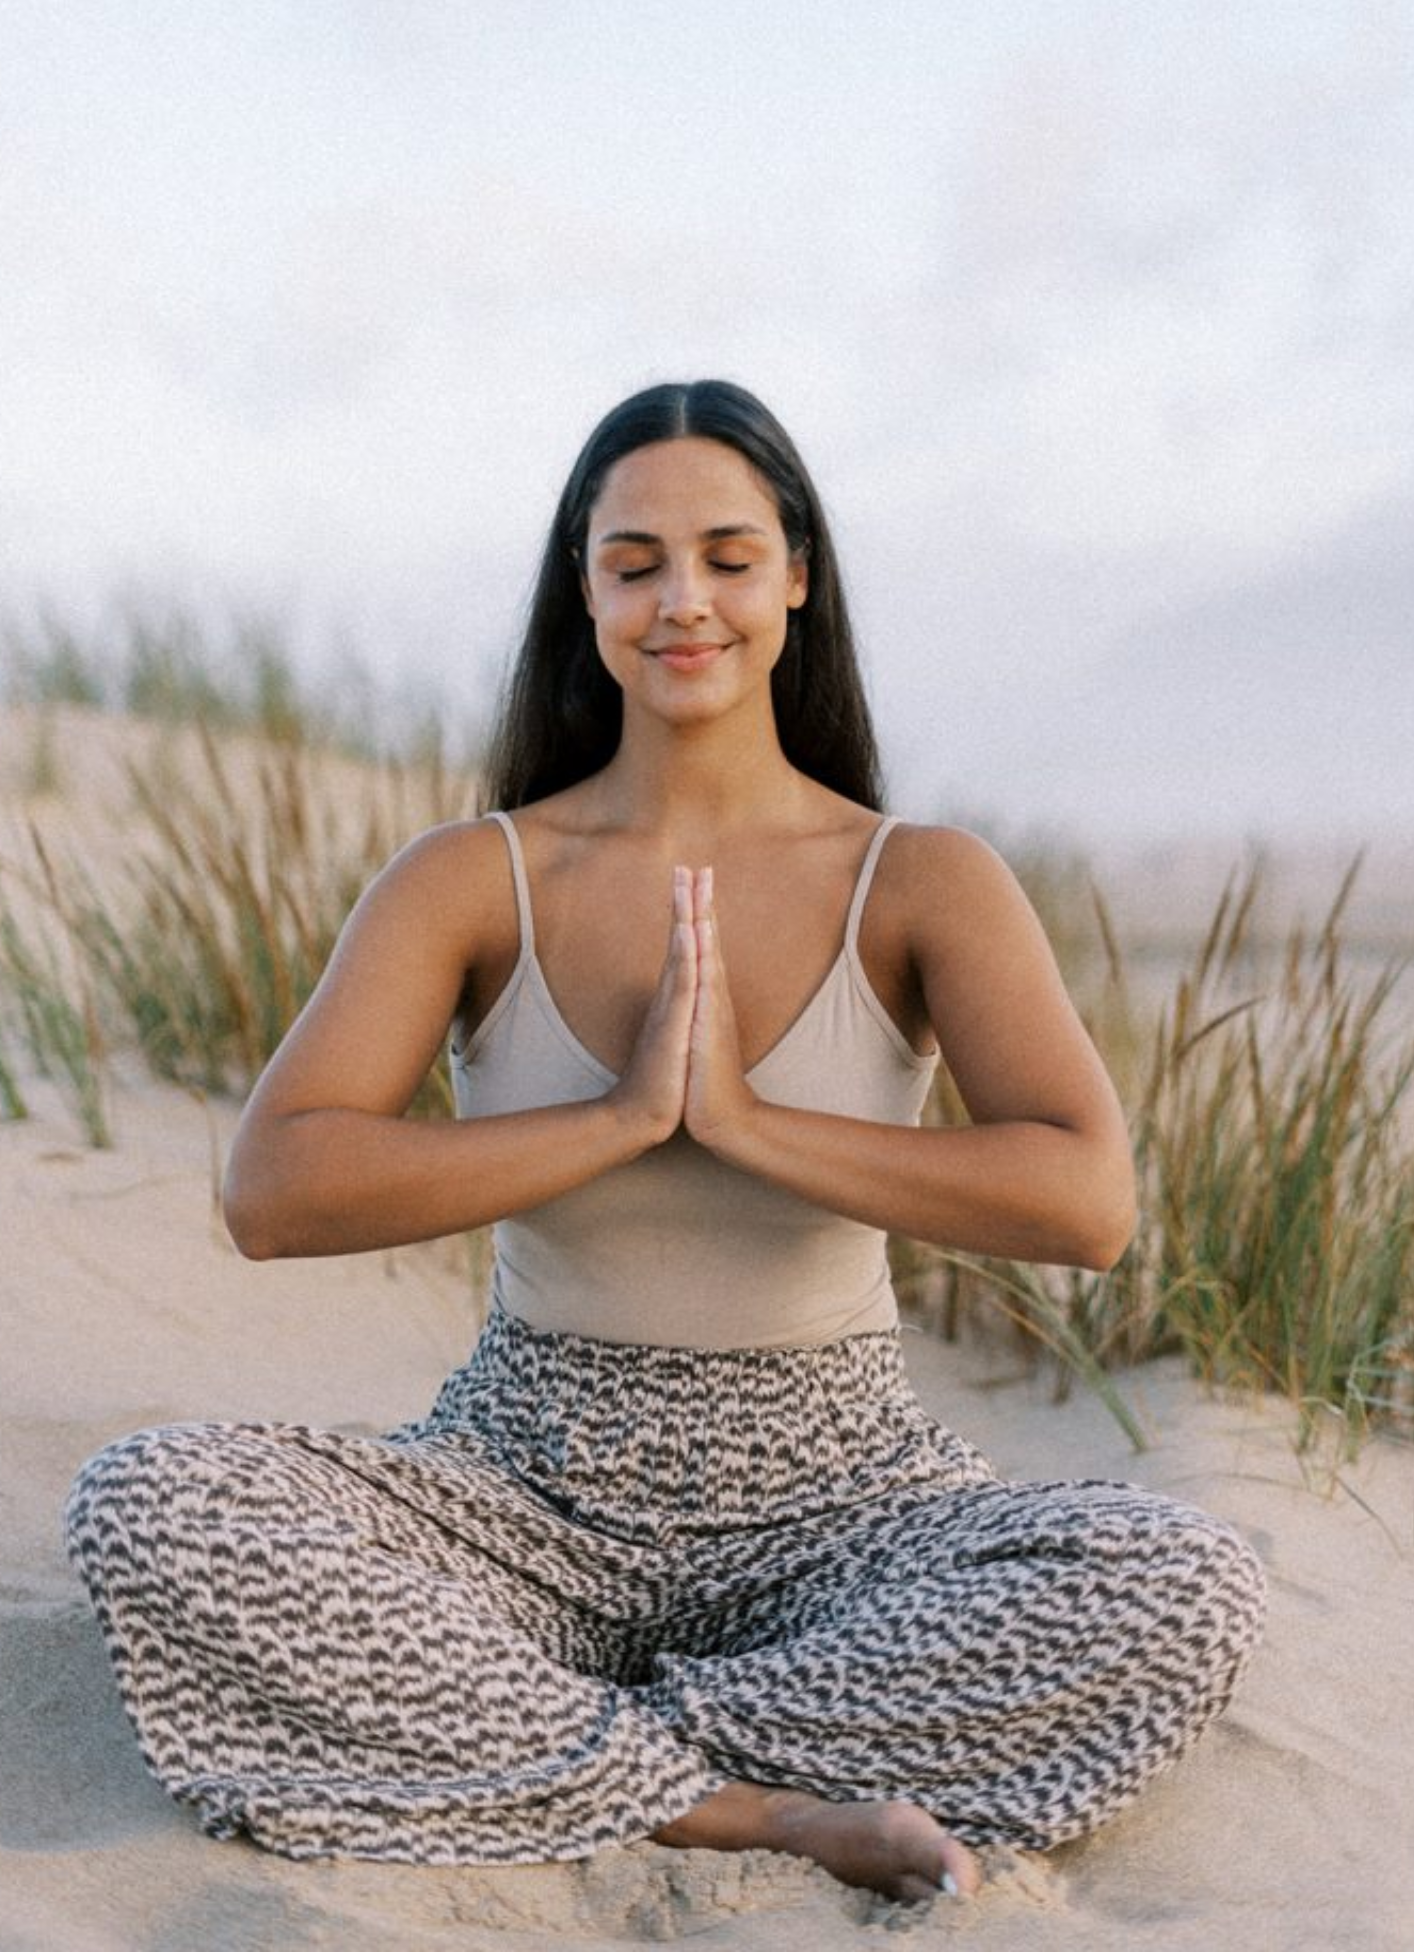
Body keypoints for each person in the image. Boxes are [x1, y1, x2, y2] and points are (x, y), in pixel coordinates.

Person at [66, 380, 1265, 1906]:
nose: (681, 601)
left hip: (845, 1506)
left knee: (1180, 1580)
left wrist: (748, 1124)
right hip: (521, 1491)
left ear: (796, 576)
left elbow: (1083, 1201)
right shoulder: (474, 877)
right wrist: (621, 1118)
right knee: (152, 1498)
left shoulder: (919, 879)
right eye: (634, 563)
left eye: (725, 555)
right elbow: (276, 1188)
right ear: (584, 589)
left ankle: (547, 1754)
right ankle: (760, 1810)